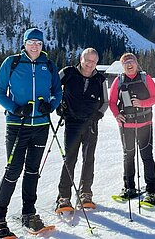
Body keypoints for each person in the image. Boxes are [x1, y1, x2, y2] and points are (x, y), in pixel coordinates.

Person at [0, 28, 62, 238]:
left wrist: (52, 105)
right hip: (17, 125)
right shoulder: (12, 63)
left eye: (38, 43)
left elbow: (57, 92)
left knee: (32, 171)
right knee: (13, 171)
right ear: (24, 44)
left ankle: (29, 214)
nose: (35, 46)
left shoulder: (47, 64)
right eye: (31, 42)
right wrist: (15, 108)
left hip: (40, 126)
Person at [55, 48, 108, 211]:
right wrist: (58, 105)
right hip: (72, 123)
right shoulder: (68, 73)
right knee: (70, 158)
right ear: (81, 58)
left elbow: (105, 102)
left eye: (93, 61)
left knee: (88, 158)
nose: (90, 64)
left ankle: (86, 193)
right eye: (87, 60)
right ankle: (64, 197)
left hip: (90, 124)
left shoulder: (100, 79)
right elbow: (53, 88)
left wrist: (98, 115)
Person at [108, 53, 155, 205]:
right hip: (126, 125)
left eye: (131, 62)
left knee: (146, 156)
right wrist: (117, 115)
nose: (129, 65)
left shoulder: (145, 78)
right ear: (122, 66)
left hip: (144, 124)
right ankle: (129, 187)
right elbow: (111, 102)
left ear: (137, 64)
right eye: (125, 63)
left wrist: (142, 103)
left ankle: (151, 191)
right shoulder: (119, 80)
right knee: (128, 156)